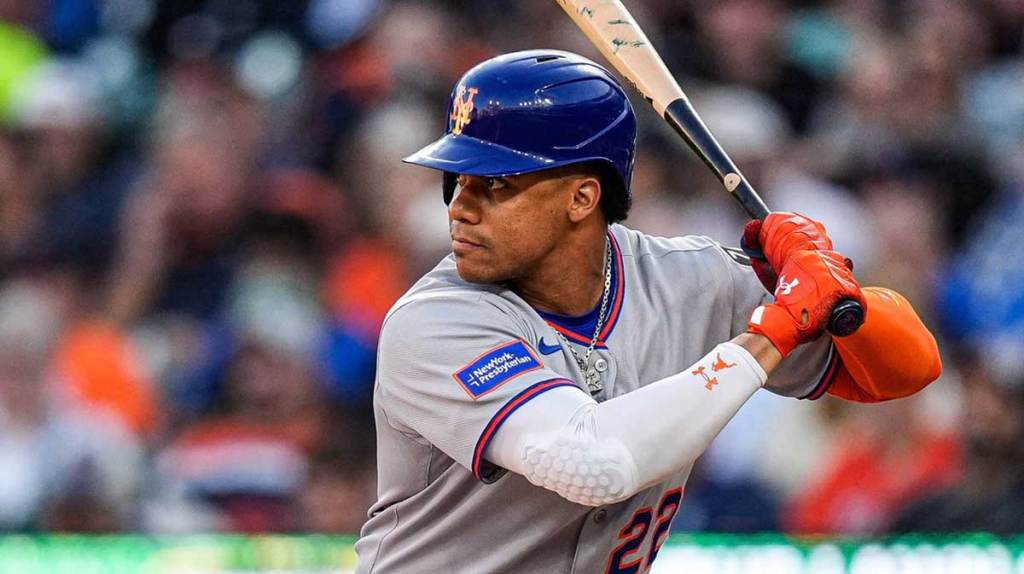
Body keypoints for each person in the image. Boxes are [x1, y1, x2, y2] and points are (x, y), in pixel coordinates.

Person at [356, 50, 941, 573]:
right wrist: (773, 334)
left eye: (496, 185)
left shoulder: (691, 279)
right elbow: (594, 464)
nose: (459, 208)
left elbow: (903, 373)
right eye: (456, 180)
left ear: (582, 197)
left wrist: (836, 285)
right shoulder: (432, 321)